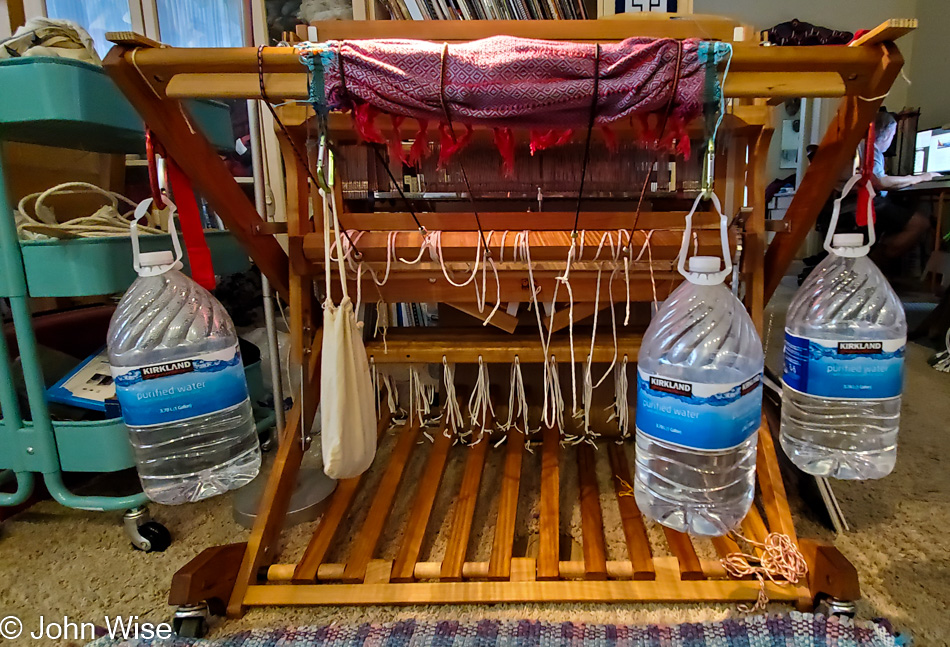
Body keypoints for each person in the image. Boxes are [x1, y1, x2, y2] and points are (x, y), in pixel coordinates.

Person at [861, 110, 938, 260]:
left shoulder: (863, 147)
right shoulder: (870, 148)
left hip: (859, 204)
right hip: (868, 205)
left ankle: (876, 251)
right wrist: (919, 178)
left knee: (902, 210)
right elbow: (881, 182)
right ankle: (877, 257)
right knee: (921, 223)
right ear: (888, 133)